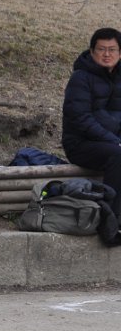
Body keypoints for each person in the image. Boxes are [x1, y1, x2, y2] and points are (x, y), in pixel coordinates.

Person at [62, 27, 121, 213]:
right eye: (101, 49)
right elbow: (80, 118)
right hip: (81, 144)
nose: (106, 54)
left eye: (112, 49)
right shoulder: (80, 78)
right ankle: (110, 217)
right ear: (92, 51)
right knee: (118, 155)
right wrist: (114, 141)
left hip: (114, 142)